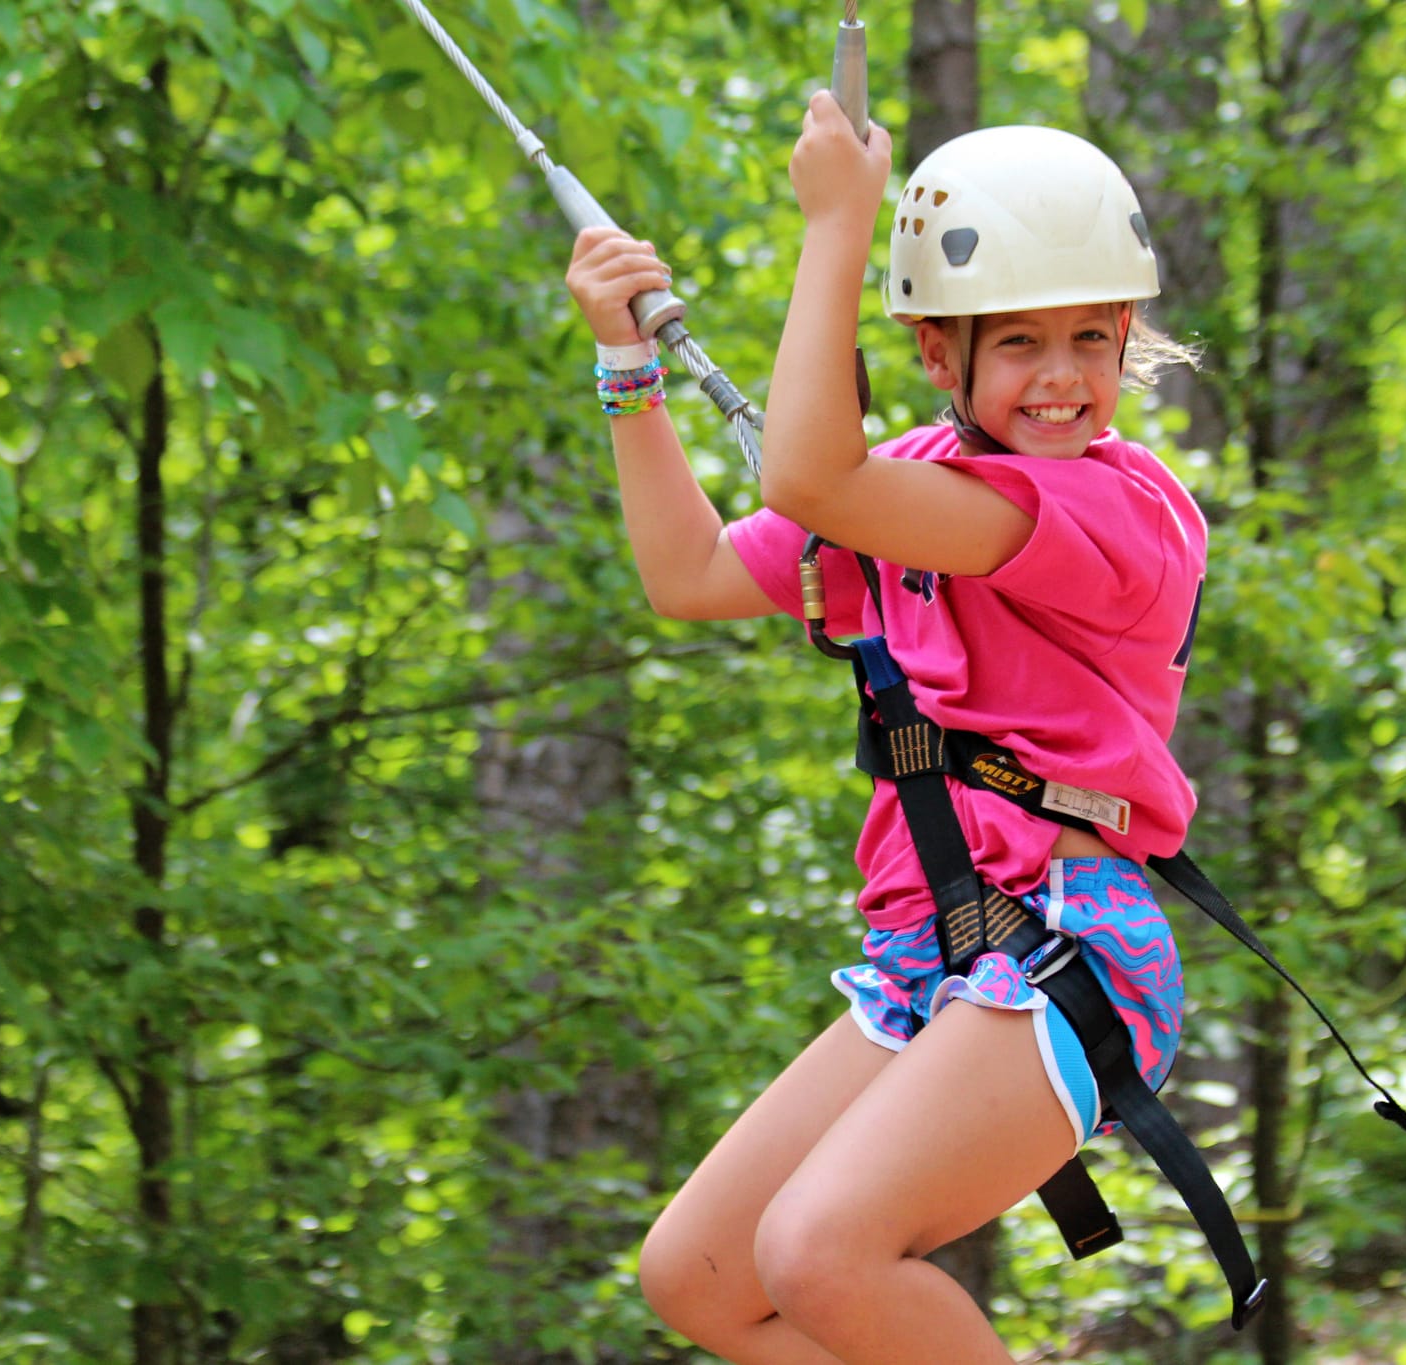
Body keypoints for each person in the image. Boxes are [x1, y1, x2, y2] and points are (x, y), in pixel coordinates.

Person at [563, 90, 1205, 1365]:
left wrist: (834, 222)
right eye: (1017, 342)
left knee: (817, 1251)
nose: (1065, 375)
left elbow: (809, 478)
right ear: (937, 355)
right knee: (698, 1280)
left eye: (1092, 335)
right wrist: (627, 367)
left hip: (1072, 943)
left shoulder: (1108, 515)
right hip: (929, 955)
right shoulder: (913, 485)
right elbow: (689, 576)